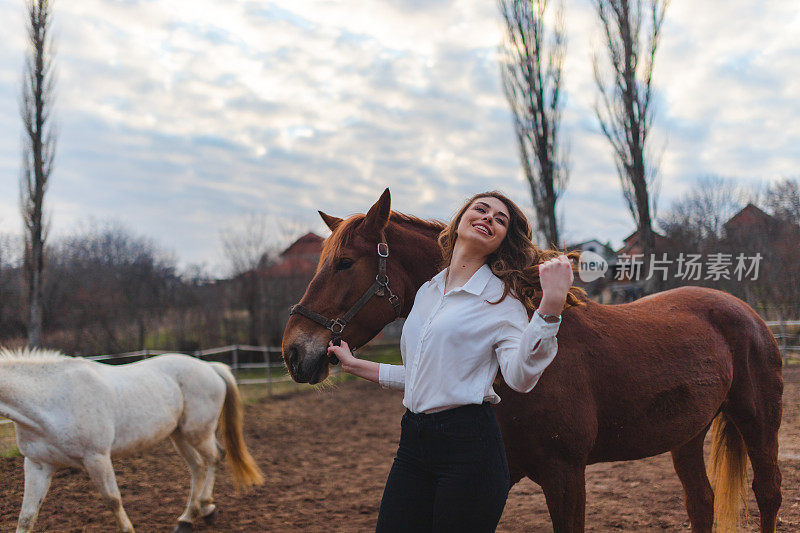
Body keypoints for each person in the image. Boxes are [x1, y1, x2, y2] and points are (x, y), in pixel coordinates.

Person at [327, 191, 580, 532]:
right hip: (413, 446)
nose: (489, 217)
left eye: (500, 219)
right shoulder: (429, 292)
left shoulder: (501, 301)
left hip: (469, 451)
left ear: (503, 241)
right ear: (460, 220)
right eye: (481, 209)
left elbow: (520, 378)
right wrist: (355, 365)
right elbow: (427, 376)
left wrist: (550, 307)